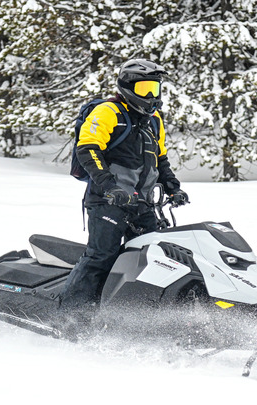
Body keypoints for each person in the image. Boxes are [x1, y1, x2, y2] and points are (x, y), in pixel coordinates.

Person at [58, 58, 188, 328]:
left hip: (142, 204)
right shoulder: (108, 112)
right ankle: (70, 318)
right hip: (108, 201)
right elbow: (88, 149)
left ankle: (134, 318)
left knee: (151, 259)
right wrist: (110, 186)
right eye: (144, 89)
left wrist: (173, 187)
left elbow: (160, 159)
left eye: (155, 89)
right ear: (127, 87)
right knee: (101, 256)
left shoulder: (154, 121)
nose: (151, 96)